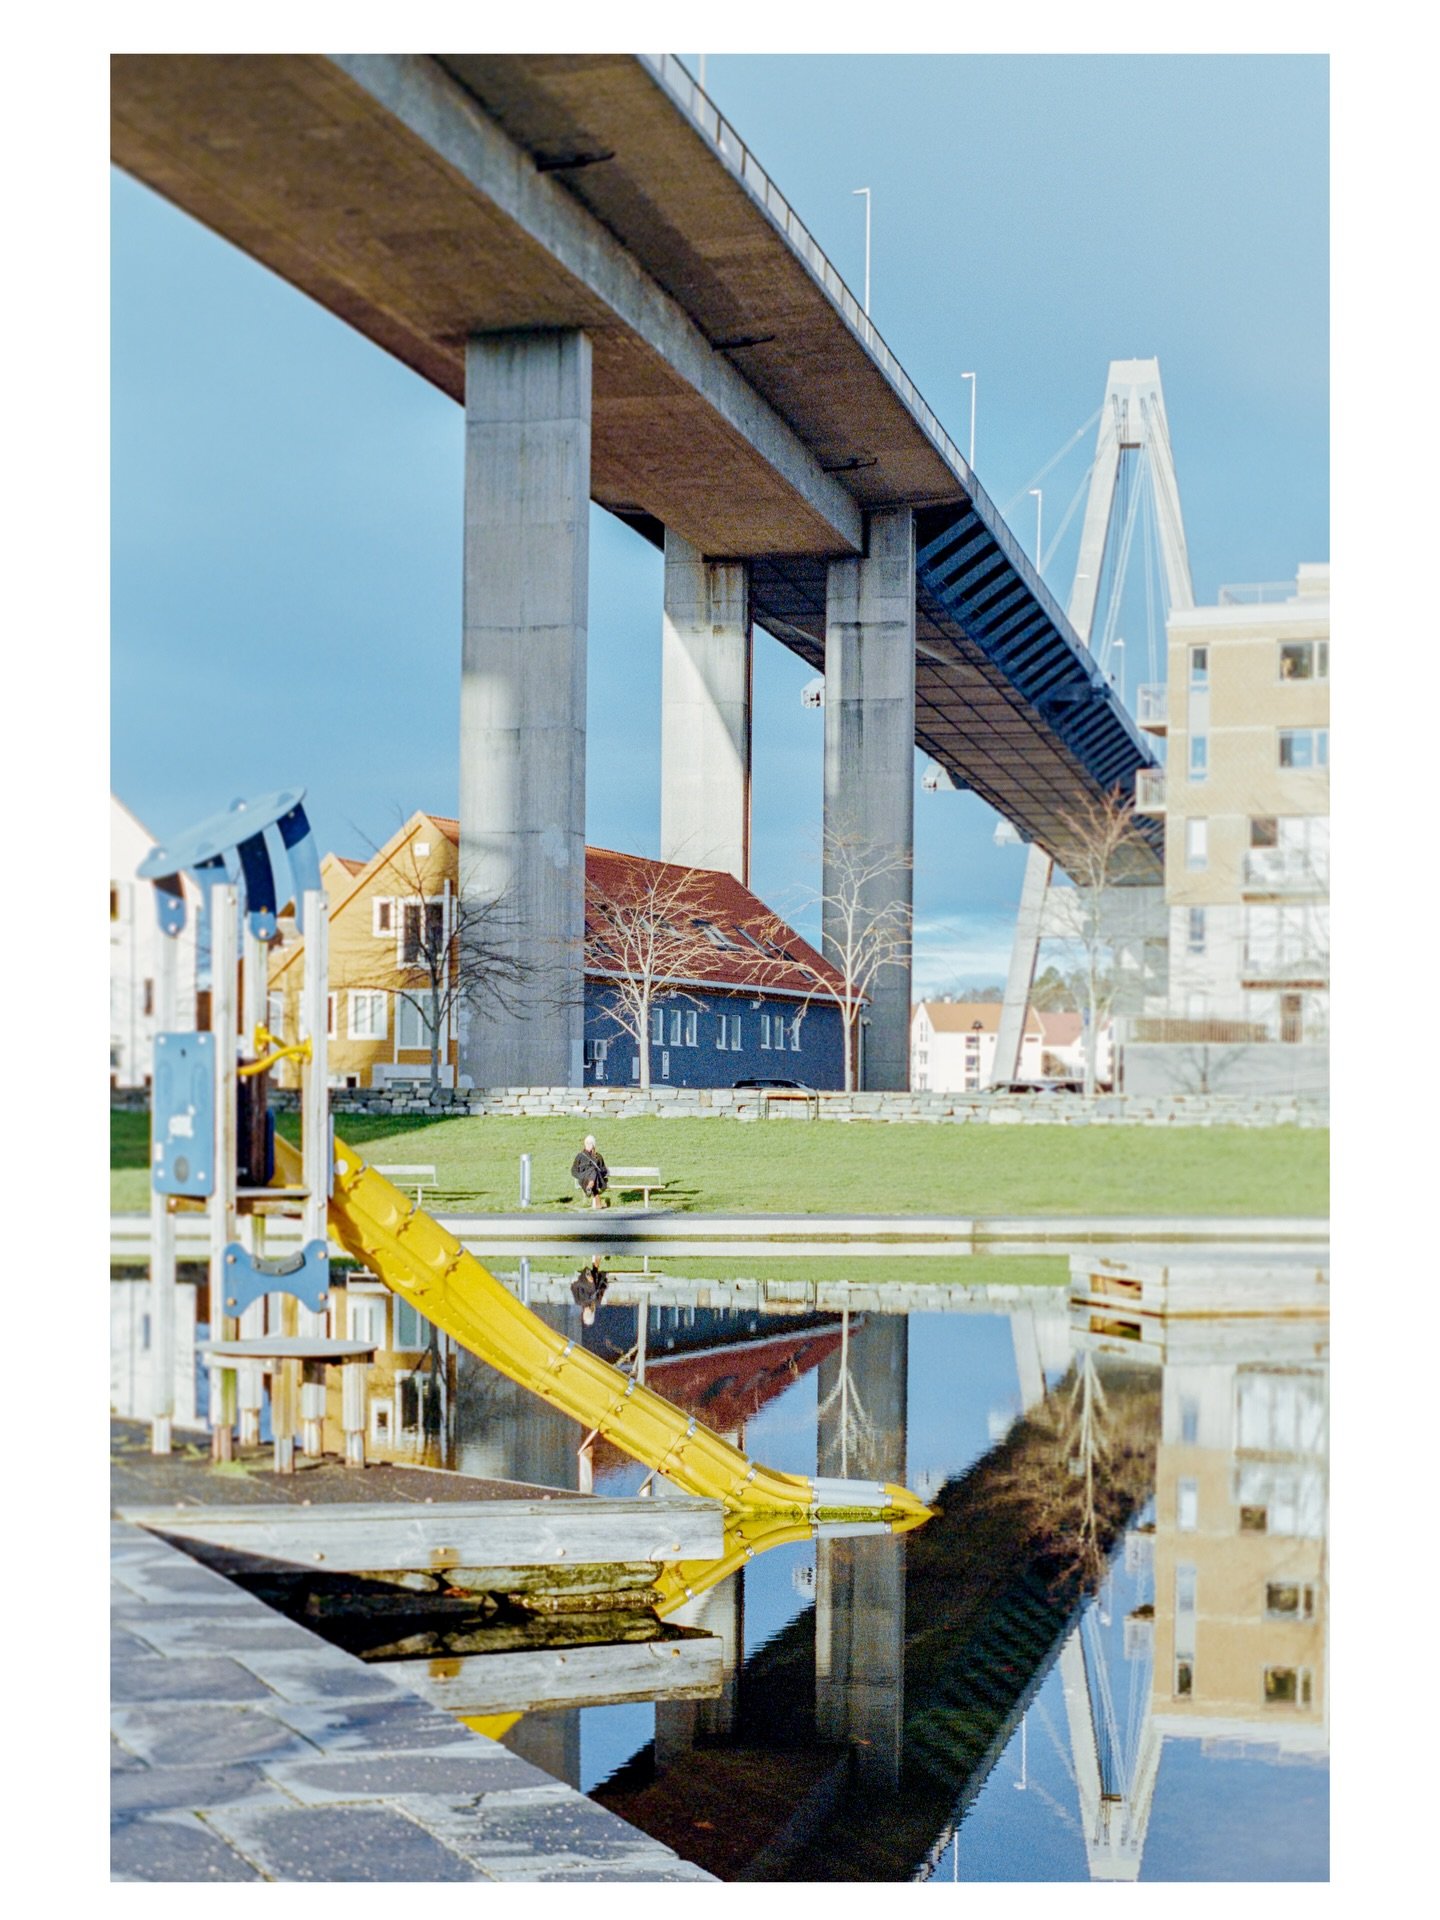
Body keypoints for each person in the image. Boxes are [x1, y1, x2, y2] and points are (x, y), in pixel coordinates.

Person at [570, 1134, 610, 1209]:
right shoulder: (580, 1156)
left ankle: (590, 1186)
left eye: (590, 1143)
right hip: (584, 1178)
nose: (588, 1145)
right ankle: (592, 1188)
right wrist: (580, 1176)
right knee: (592, 1170)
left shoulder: (598, 1156)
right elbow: (573, 1170)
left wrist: (599, 1173)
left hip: (596, 1179)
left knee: (593, 1171)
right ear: (584, 1144)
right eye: (587, 1143)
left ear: (593, 1145)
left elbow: (604, 1169)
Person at [570, 1259, 609, 1326]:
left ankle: (589, 1274)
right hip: (594, 1280)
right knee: (593, 1284)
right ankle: (594, 1263)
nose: (587, 1312)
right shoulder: (597, 1302)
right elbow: (601, 1289)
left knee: (591, 1284)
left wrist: (583, 1283)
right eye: (588, 1315)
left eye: (586, 1315)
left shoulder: (579, 1301)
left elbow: (573, 1287)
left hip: (584, 1281)